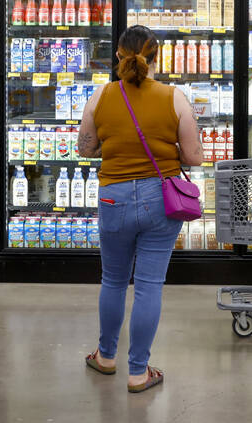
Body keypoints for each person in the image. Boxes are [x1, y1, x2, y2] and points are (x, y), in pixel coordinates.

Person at [77, 25, 203, 393]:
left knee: (114, 281)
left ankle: (105, 356)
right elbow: (194, 157)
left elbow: (85, 147)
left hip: (113, 196)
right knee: (149, 287)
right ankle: (138, 372)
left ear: (118, 55)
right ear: (156, 57)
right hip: (159, 200)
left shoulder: (100, 96)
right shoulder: (174, 97)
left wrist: (115, 146)